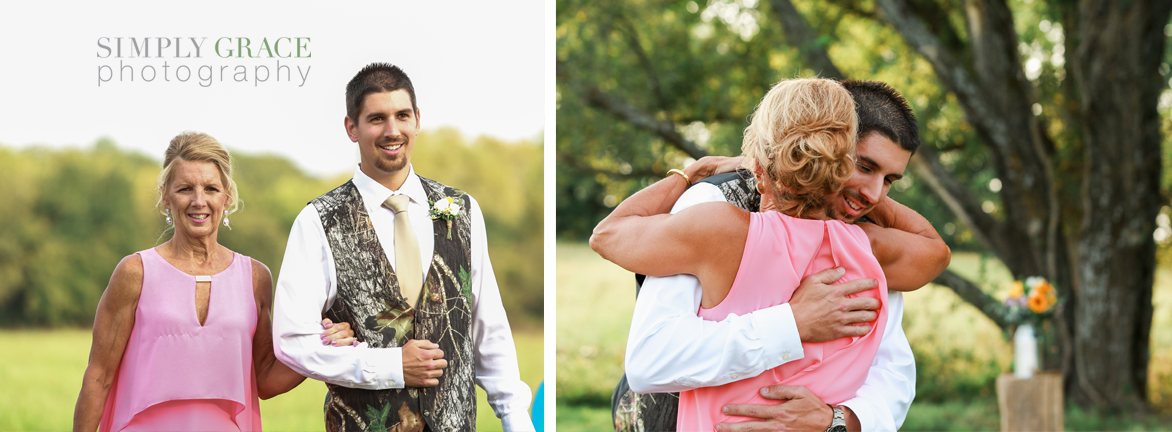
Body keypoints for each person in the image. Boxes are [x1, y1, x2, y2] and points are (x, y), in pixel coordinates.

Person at [591, 78, 948, 431]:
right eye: (865, 167)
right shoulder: (868, 248)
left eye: (889, 181)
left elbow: (892, 371)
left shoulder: (721, 230)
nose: (874, 194)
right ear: (836, 152)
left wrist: (839, 421)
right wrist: (791, 322)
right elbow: (652, 359)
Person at [272, 63, 534, 431]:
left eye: (402, 115)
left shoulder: (462, 209)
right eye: (376, 118)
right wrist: (391, 366)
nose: (392, 130)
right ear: (352, 127)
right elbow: (292, 341)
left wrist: (515, 419)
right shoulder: (318, 221)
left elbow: (487, 325)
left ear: (417, 120)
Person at [73, 132, 357, 432]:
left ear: (227, 197)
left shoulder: (256, 278)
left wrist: (322, 346)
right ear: (165, 197)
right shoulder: (134, 273)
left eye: (211, 188)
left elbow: (265, 380)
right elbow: (99, 377)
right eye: (185, 189)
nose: (199, 201)